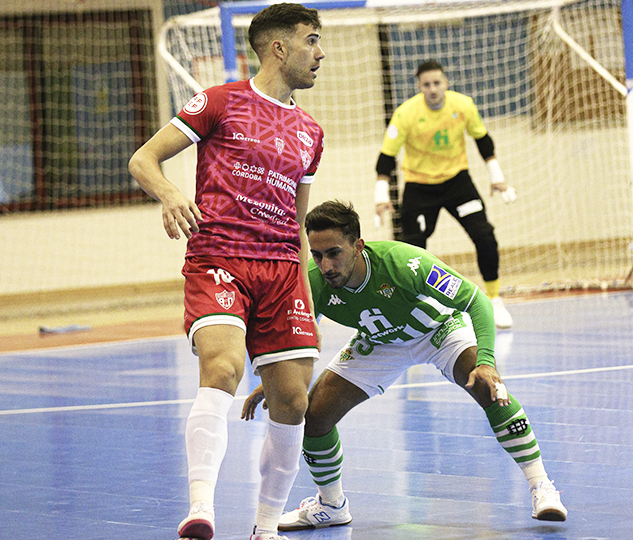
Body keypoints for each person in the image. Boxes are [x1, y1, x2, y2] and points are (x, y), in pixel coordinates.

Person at [242, 200, 567, 531]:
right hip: (380, 342)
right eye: (317, 254)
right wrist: (278, 378)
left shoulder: (406, 264)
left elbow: (476, 301)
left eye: (334, 253)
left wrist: (486, 361)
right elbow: (301, 334)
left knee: (489, 388)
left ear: (358, 246)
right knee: (314, 417)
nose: (326, 265)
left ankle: (541, 485)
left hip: (438, 330)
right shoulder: (313, 281)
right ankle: (331, 505)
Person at [127, 4, 326, 540]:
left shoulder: (312, 131)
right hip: (220, 258)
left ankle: (266, 528)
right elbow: (143, 159)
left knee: (293, 399)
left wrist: (307, 295)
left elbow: (298, 224)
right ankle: (200, 510)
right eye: (311, 40)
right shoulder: (220, 101)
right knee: (222, 367)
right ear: (279, 48)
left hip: (283, 271)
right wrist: (170, 194)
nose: (320, 52)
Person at [375, 60, 516, 329]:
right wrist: (381, 194)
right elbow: (386, 158)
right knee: (413, 250)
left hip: (457, 183)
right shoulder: (406, 114)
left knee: (484, 235)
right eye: (426, 85)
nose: (433, 89)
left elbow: (483, 140)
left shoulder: (463, 105)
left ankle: (495, 300)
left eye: (437, 83)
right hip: (419, 187)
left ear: (446, 83)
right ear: (419, 87)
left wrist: (497, 177)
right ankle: (413, 306)